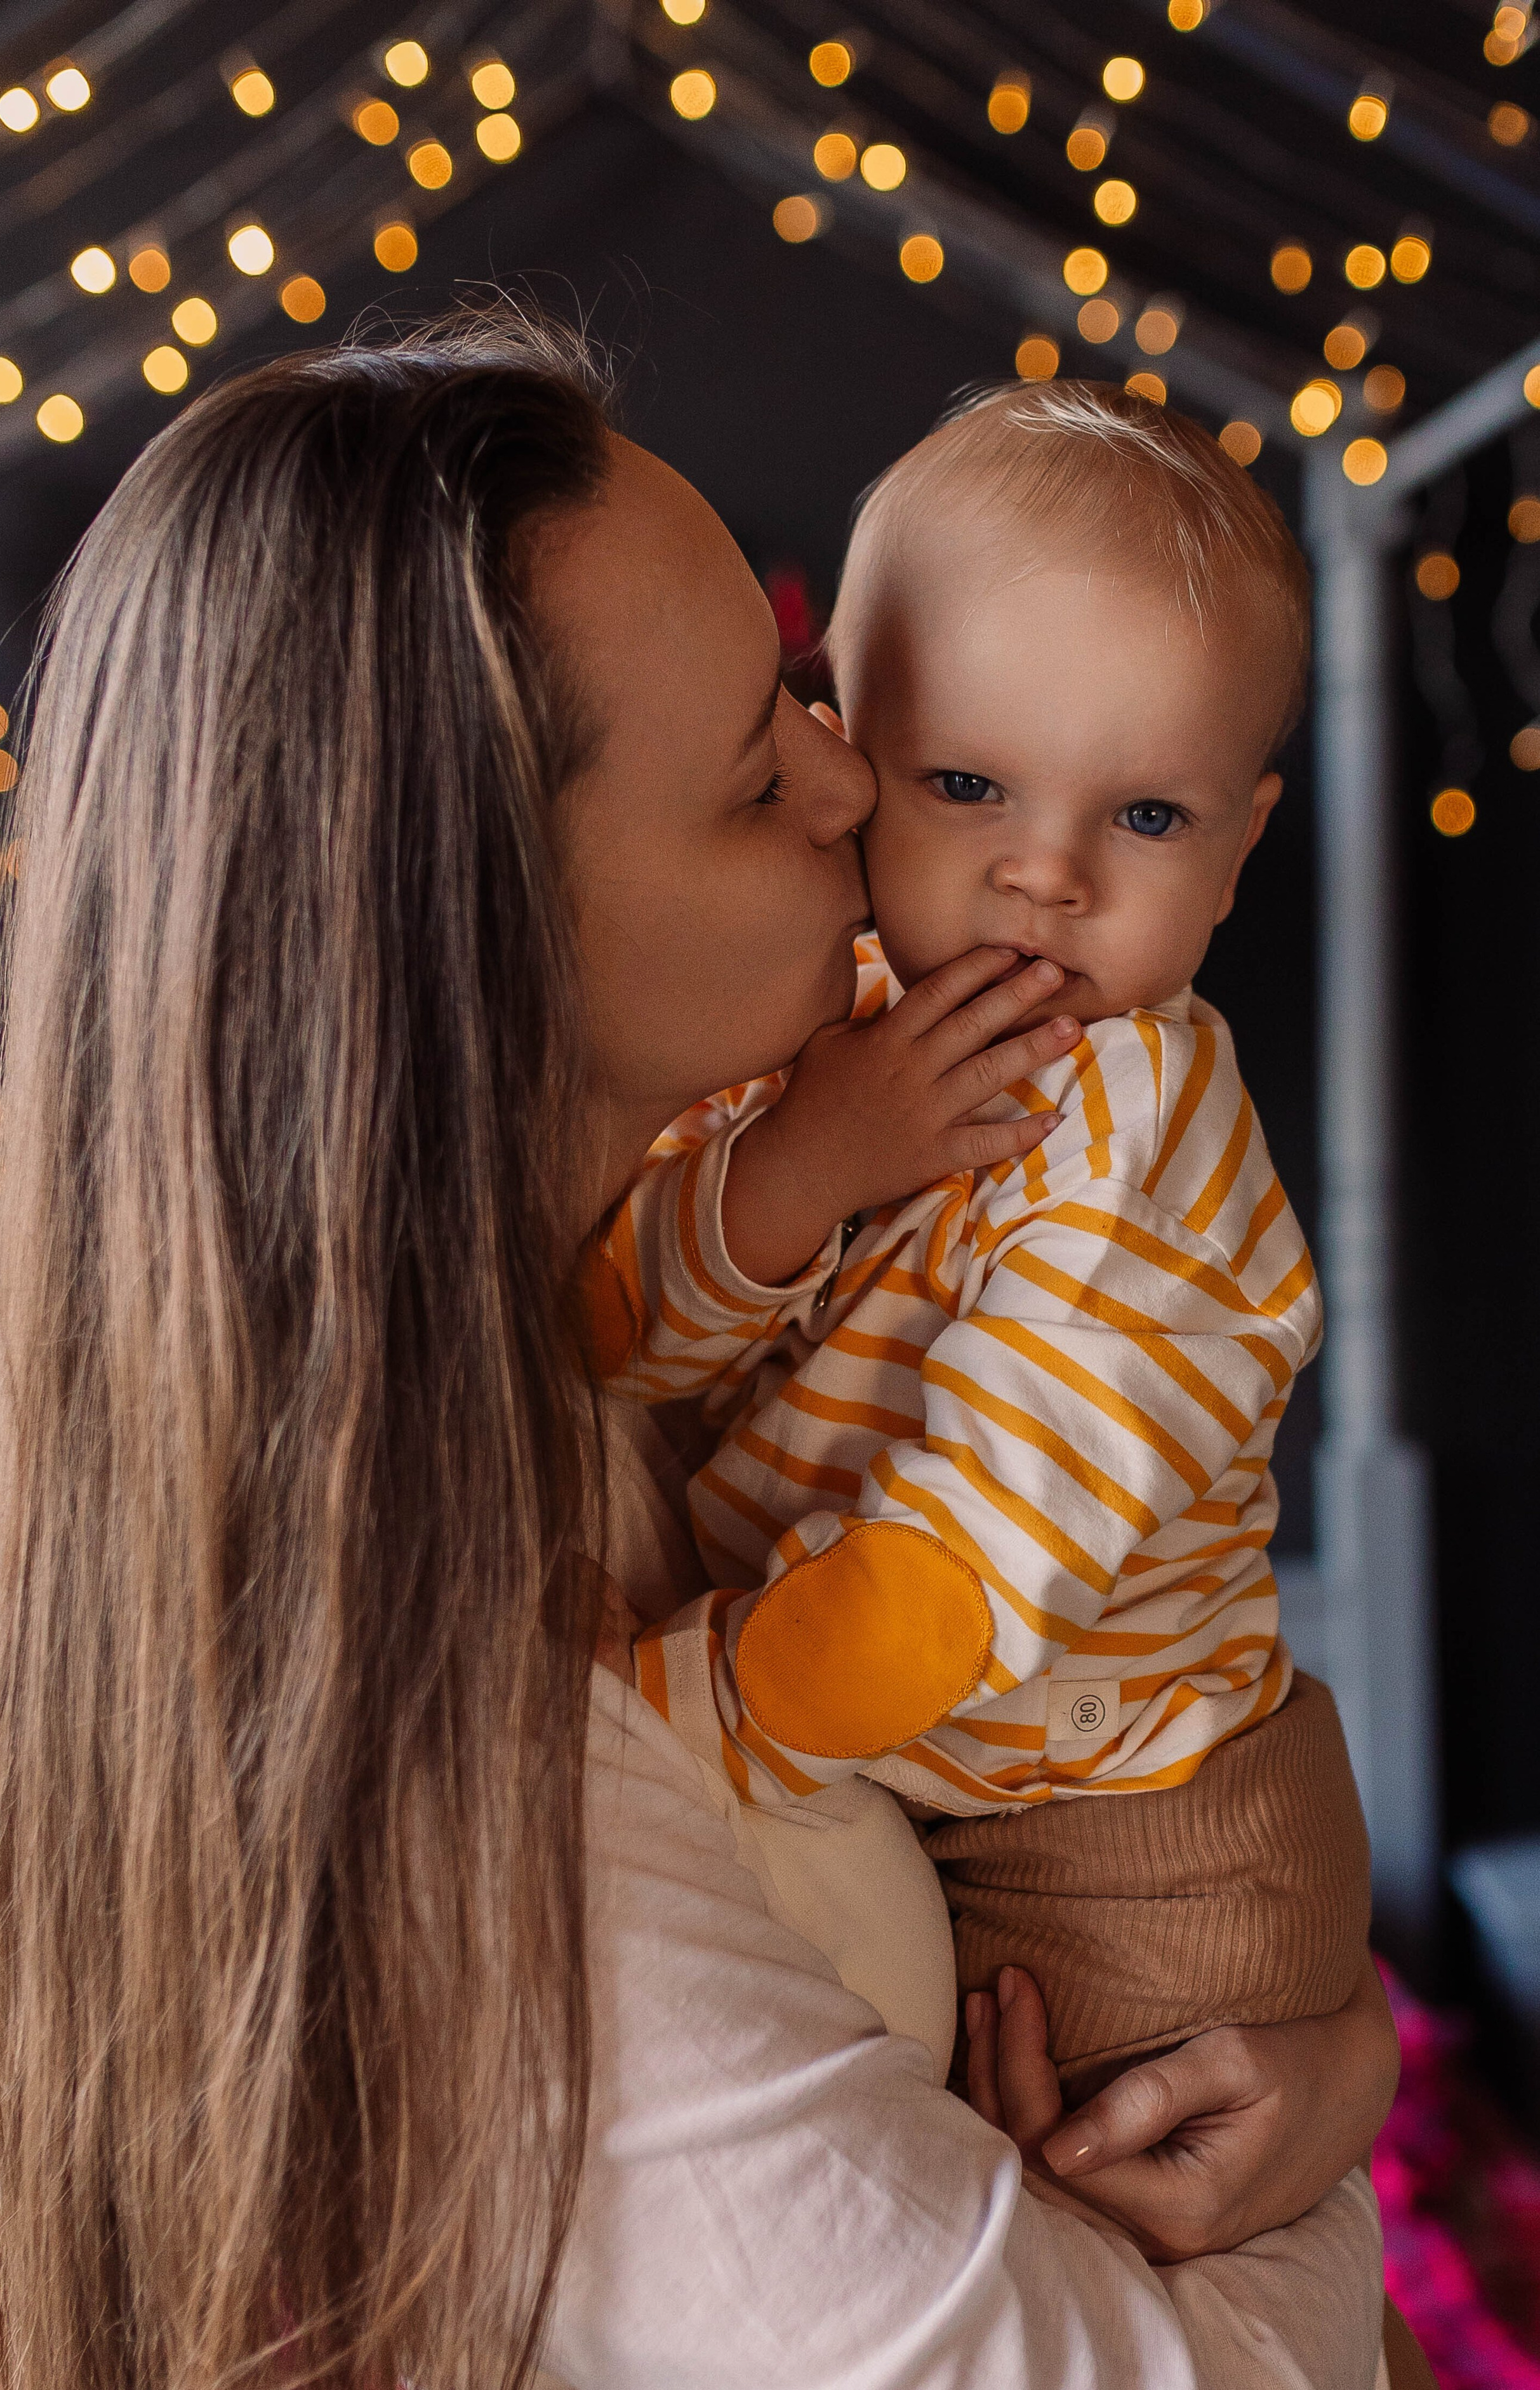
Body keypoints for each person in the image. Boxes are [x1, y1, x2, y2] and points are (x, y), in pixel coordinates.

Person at [0, 309, 1405, 2390]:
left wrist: (1321, 2036)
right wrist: (1317, 2162)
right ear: (477, 931)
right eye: (765, 764)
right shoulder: (482, 1754)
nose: (855, 786)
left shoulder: (547, 1398)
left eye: (815, 701)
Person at [585, 380, 1367, 2098]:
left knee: (1131, 2230)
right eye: (968, 785)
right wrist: (803, 1166)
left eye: (1146, 818)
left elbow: (958, 1576)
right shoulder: (825, 1022)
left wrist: (648, 1723)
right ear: (842, 739)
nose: (1051, 875)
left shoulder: (1145, 1142)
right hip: (878, 1747)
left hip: (1122, 1836)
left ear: (1238, 849)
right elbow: (622, 1340)